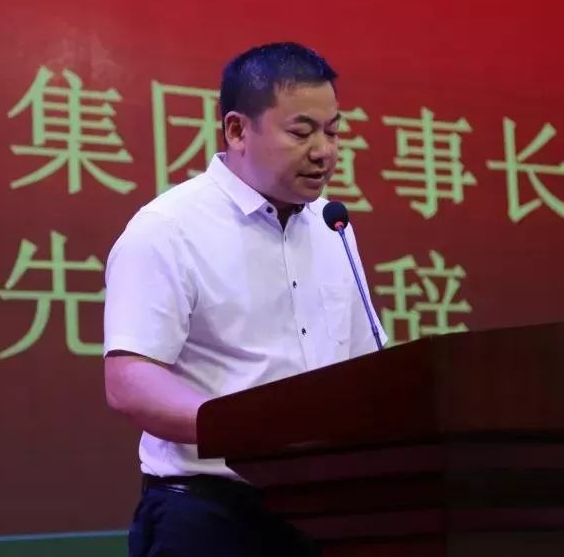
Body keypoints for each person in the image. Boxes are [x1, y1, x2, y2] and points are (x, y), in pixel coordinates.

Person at [103, 42, 388, 557]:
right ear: (237, 130)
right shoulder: (167, 229)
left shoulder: (333, 227)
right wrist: (248, 429)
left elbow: (363, 366)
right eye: (301, 132)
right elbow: (130, 382)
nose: (324, 151)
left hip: (326, 512)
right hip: (209, 517)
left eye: (332, 132)